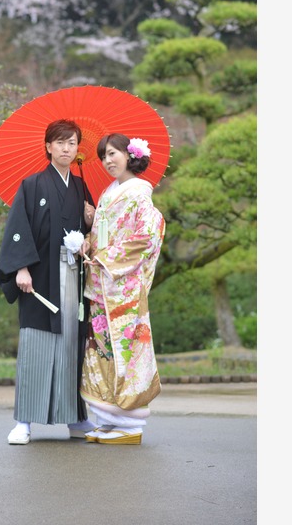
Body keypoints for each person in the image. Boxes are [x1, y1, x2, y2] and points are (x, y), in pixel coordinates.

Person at [0, 119, 97, 444]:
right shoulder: (32, 185)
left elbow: (92, 236)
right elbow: (17, 230)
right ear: (48, 146)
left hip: (73, 276)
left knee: (72, 347)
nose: (67, 148)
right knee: (36, 348)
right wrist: (20, 268)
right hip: (39, 280)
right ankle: (24, 421)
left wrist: (90, 229)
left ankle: (75, 419)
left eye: (72, 143)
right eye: (60, 142)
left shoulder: (81, 188)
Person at [80, 133, 166, 445]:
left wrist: (106, 257)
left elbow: (148, 234)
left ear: (130, 156)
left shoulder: (139, 195)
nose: (107, 161)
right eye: (104, 156)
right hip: (102, 285)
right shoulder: (108, 193)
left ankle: (130, 423)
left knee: (125, 351)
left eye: (113, 153)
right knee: (101, 351)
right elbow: (103, 234)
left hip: (124, 288)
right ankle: (107, 419)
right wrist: (90, 234)